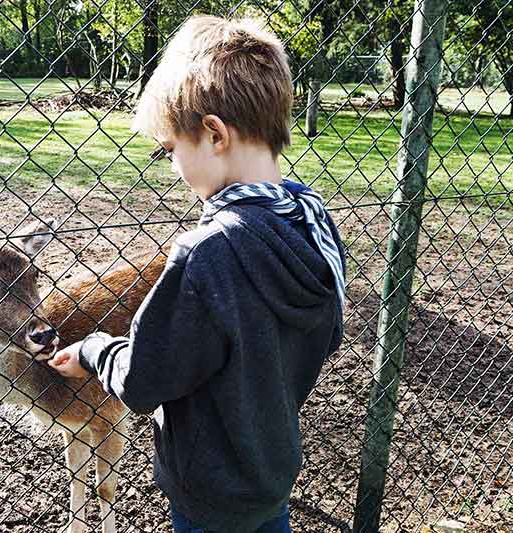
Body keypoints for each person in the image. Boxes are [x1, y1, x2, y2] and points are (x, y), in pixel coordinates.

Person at [49, 14, 345, 533]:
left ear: (213, 134)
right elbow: (328, 334)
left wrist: (96, 349)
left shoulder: (207, 251)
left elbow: (143, 380)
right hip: (270, 473)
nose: (171, 168)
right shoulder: (312, 221)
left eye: (170, 150)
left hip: (206, 492)